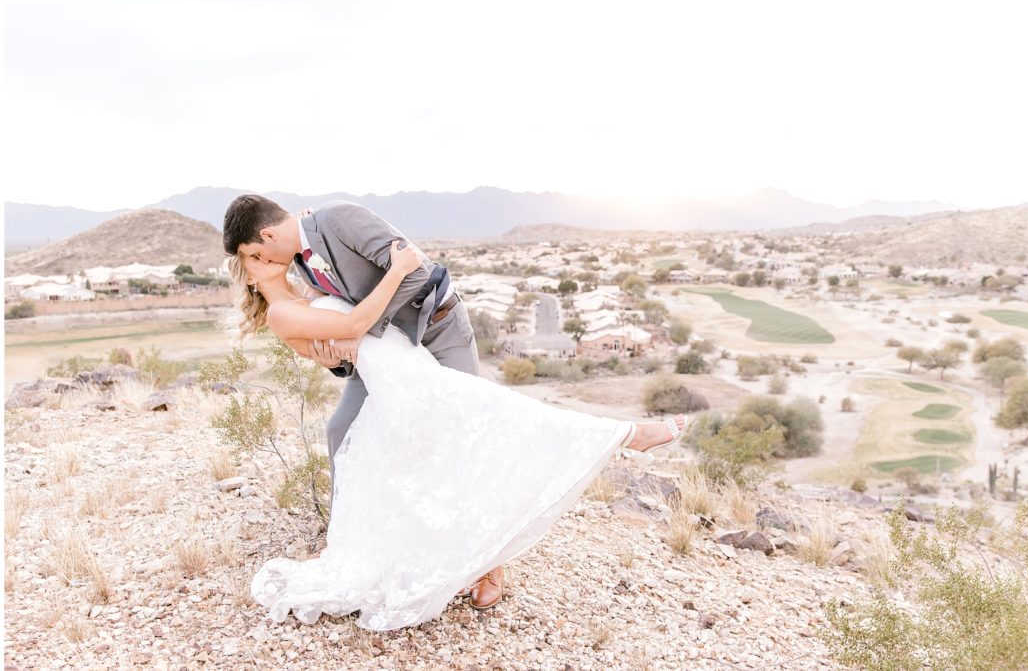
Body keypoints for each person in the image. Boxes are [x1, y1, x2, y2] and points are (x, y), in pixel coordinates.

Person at [230, 244, 689, 631]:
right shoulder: (282, 314)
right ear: (248, 280)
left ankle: (618, 440)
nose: (262, 256)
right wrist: (401, 270)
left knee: (479, 429)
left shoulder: (310, 287)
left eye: (259, 248)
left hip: (406, 366)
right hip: (395, 375)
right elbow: (350, 329)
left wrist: (339, 346)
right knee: (497, 417)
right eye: (250, 258)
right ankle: (627, 434)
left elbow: (345, 336)